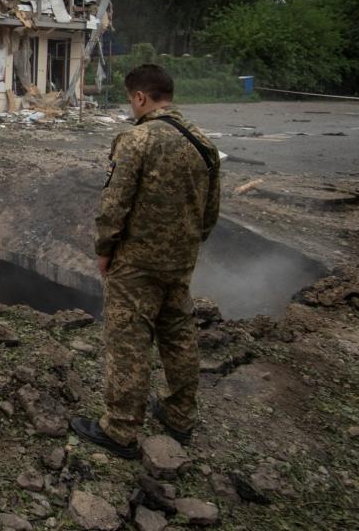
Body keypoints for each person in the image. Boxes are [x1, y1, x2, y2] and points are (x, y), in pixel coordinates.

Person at [71, 63, 220, 458]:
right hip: (180, 261)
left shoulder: (136, 140)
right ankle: (179, 415)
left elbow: (113, 204)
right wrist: (188, 244)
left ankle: (120, 429)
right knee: (179, 335)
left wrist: (105, 250)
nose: (129, 106)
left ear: (140, 97)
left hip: (136, 265)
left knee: (128, 342)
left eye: (129, 99)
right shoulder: (203, 142)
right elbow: (210, 212)